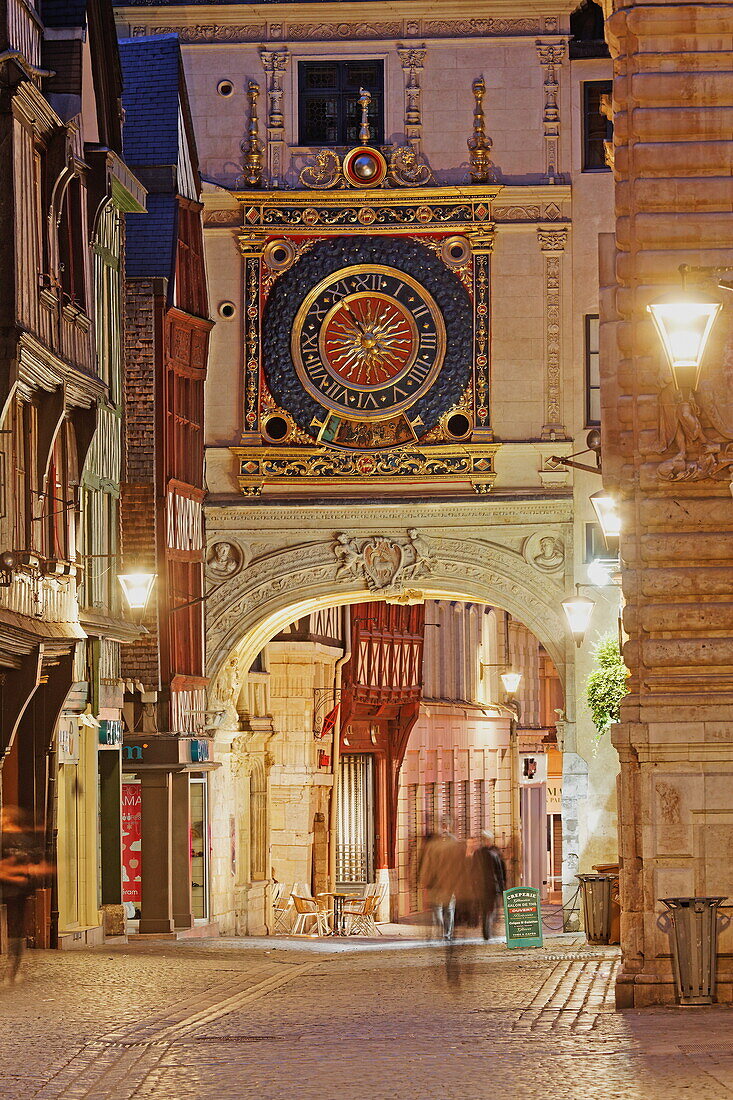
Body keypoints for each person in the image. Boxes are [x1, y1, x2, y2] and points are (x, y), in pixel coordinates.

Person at [0, 805, 45, 984]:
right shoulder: (27, 841)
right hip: (20, 891)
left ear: (9, 819)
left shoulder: (2, 840)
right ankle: (13, 969)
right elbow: (36, 868)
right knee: (15, 929)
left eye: (3, 815)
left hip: (8, 889)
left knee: (14, 929)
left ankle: (12, 970)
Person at [418, 817, 465, 942]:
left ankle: (442, 932)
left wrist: (424, 878)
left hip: (437, 883)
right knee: (447, 909)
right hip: (448, 883)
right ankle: (446, 934)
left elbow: (427, 863)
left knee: (439, 908)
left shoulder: (434, 843)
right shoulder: (454, 843)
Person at [472, 831, 507, 940]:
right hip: (492, 887)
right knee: (491, 909)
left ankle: (486, 930)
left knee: (485, 909)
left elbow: (472, 871)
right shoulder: (495, 853)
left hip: (481, 887)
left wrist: (474, 885)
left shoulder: (477, 853)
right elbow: (500, 872)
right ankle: (489, 929)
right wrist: (502, 888)